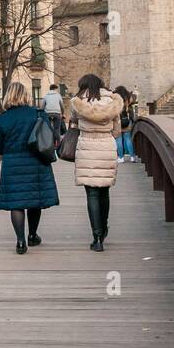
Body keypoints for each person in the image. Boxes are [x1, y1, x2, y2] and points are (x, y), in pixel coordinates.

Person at [0, 81, 59, 253]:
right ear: (26, 95)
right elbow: (49, 137)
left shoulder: (4, 118)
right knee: (34, 199)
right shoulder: (38, 114)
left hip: (12, 165)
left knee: (17, 203)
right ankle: (32, 235)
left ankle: (20, 241)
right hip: (36, 162)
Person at [71, 74, 124, 250]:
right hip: (106, 146)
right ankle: (104, 226)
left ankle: (97, 237)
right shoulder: (113, 102)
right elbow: (117, 131)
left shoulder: (78, 102)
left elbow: (75, 124)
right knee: (104, 192)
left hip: (86, 146)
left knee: (92, 194)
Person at [113, 83, 136, 161]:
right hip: (127, 120)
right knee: (128, 139)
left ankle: (121, 157)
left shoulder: (116, 99)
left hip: (118, 121)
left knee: (118, 140)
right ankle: (132, 157)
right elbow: (133, 100)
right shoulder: (128, 99)